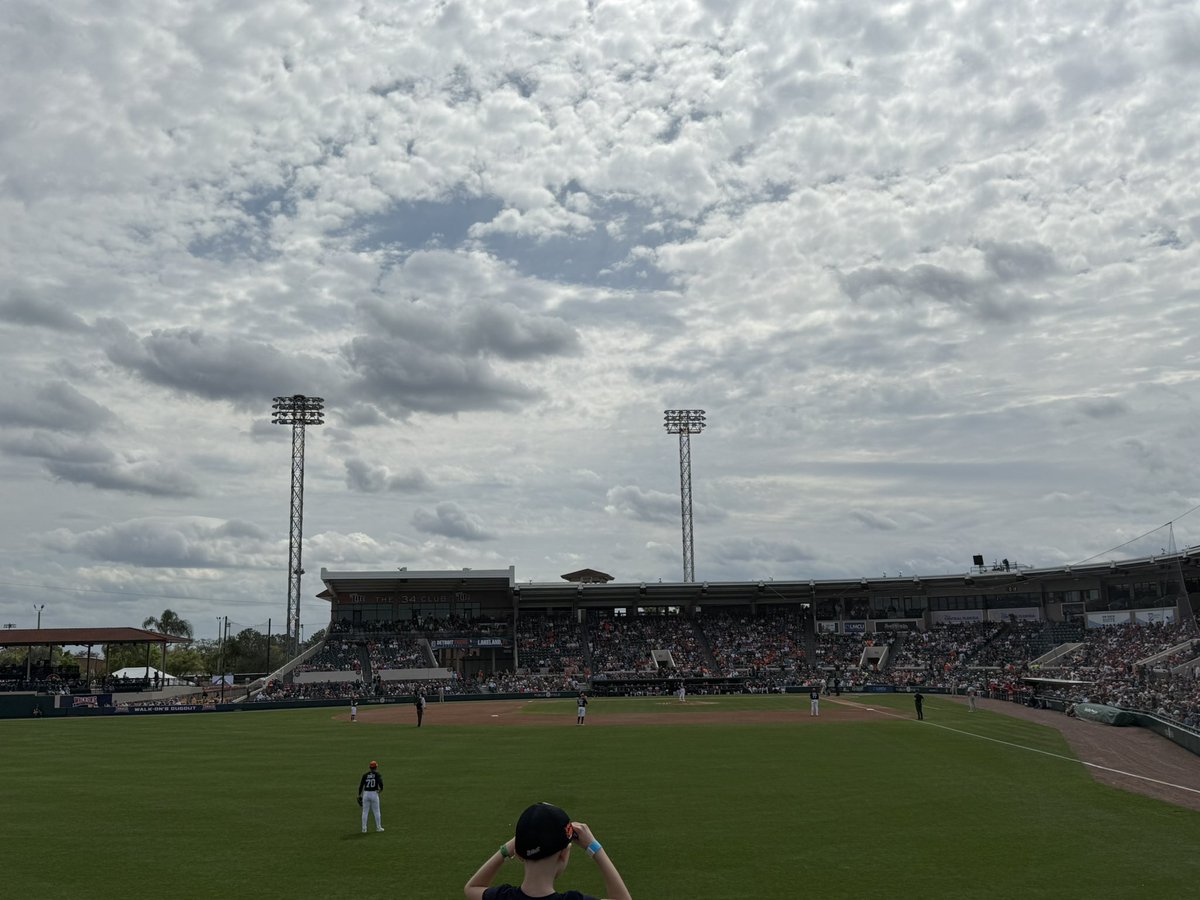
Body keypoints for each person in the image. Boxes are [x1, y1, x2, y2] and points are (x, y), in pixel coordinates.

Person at [464, 801, 631, 900]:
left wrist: (508, 849)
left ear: (519, 853)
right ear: (564, 854)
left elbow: (472, 887)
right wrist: (595, 848)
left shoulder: (504, 897)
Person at [357, 760, 384, 833]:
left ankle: (364, 829)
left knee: (365, 812)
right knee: (376, 811)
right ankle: (378, 827)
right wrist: (381, 789)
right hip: (374, 793)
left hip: (366, 794)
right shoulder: (377, 774)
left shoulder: (365, 775)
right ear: (376, 767)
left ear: (370, 767)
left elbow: (361, 786)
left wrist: (359, 794)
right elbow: (380, 782)